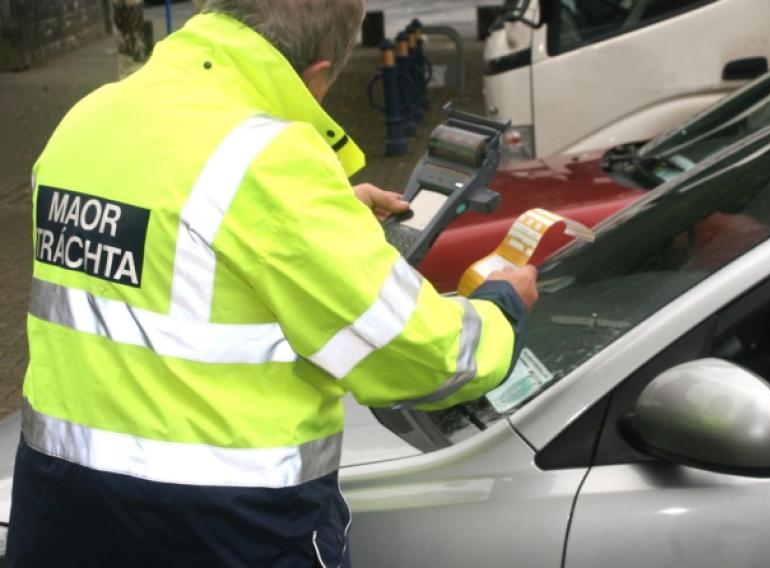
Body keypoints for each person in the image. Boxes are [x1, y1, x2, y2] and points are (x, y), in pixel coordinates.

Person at [6, 0, 538, 566]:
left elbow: (149, 250)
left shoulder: (89, 118)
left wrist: (321, 215)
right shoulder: (270, 160)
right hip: (222, 524)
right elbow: (423, 355)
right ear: (317, 72)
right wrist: (503, 304)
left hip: (58, 502)